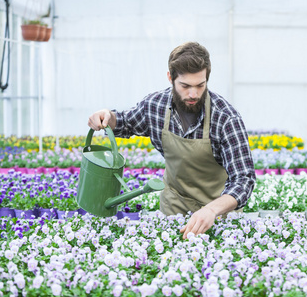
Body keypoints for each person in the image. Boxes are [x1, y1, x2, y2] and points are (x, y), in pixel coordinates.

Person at [88, 42, 256, 239]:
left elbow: (244, 179)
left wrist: (211, 210)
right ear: (170, 77)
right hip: (173, 211)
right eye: (185, 86)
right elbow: (124, 122)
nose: (193, 94)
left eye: (200, 85)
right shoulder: (155, 106)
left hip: (218, 216)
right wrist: (106, 115)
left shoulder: (225, 118)